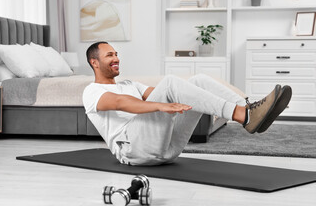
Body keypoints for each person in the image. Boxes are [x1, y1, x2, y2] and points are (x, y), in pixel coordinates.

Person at [82, 42, 292, 166]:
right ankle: (244, 115)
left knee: (197, 80)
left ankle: (247, 109)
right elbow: (120, 102)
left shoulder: (130, 84)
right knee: (170, 81)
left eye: (117, 54)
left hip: (166, 150)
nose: (116, 58)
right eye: (110, 55)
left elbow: (161, 94)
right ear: (94, 62)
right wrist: (160, 106)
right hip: (133, 151)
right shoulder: (92, 91)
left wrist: (163, 103)